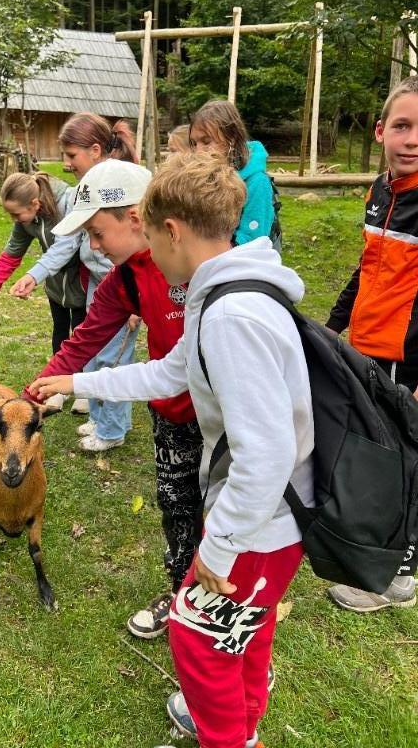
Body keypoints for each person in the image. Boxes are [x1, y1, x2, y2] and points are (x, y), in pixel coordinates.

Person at [30, 152, 314, 748]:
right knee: (243, 632)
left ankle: (229, 739)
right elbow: (167, 374)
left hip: (266, 521)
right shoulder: (220, 296)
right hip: (266, 515)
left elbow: (265, 453)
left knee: (198, 638)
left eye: (152, 240)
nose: (148, 258)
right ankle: (241, 726)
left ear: (171, 230)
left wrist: (222, 542)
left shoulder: (232, 314)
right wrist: (75, 382)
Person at [24, 157, 204, 640]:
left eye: (97, 233)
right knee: (177, 507)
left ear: (134, 217)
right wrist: (34, 393)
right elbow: (83, 339)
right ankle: (183, 592)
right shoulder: (123, 276)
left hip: (225, 418)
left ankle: (224, 616)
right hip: (171, 411)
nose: (93, 246)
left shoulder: (203, 263)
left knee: (225, 514)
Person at [325, 76, 418, 613]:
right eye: (401, 126)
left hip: (408, 359)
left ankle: (398, 579)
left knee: (405, 460)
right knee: (377, 454)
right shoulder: (380, 190)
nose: (410, 139)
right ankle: (375, 551)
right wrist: (333, 325)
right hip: (367, 346)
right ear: (381, 131)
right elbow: (366, 270)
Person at [12, 113, 140, 451]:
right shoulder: (84, 191)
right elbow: (66, 244)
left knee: (113, 359)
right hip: (104, 283)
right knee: (97, 353)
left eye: (71, 156)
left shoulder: (121, 191)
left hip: (120, 282)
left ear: (96, 150)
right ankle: (103, 419)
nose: (66, 164)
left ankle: (111, 429)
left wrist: (135, 302)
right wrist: (33, 275)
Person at [0, 171, 86, 408]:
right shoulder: (27, 219)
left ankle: (83, 389)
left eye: (15, 214)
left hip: (81, 283)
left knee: (81, 333)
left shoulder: (68, 204)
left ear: (35, 203)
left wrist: (34, 275)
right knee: (60, 332)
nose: (14, 219)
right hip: (55, 285)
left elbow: (65, 246)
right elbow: (11, 254)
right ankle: (58, 387)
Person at [190, 100, 280, 250]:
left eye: (206, 142)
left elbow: (253, 244)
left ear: (231, 139)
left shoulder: (257, 183)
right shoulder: (203, 178)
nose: (198, 151)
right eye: (194, 143)